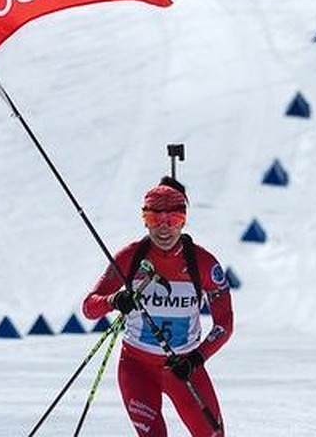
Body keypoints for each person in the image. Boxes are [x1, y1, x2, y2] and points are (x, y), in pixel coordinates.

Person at [82, 177, 233, 436]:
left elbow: (224, 324)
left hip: (184, 369)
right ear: (144, 220)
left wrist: (196, 359)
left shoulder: (203, 263)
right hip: (137, 367)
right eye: (154, 220)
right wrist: (114, 300)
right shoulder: (130, 257)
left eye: (172, 220)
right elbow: (89, 307)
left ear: (183, 220)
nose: (164, 229)